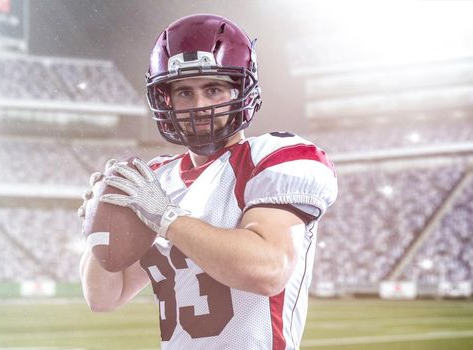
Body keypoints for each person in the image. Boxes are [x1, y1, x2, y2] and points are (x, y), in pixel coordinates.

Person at [78, 14, 338, 350]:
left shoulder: (274, 157)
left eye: (212, 89)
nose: (198, 106)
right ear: (166, 101)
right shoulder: (156, 179)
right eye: (184, 93)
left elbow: (268, 270)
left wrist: (167, 218)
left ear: (241, 89)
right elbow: (104, 297)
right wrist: (99, 231)